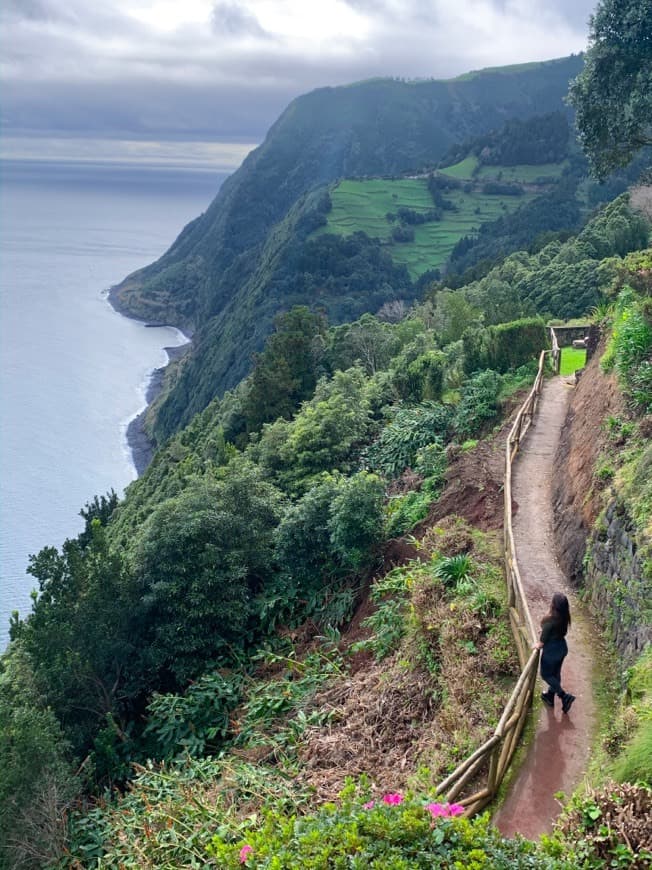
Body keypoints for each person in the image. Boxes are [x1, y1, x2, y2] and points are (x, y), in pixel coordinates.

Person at [534, 592, 575, 714]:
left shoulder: (549, 620)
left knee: (546, 675)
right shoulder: (564, 617)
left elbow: (541, 643)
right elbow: (556, 633)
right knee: (556, 674)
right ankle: (550, 697)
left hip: (551, 652)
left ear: (553, 605)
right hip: (562, 648)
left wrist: (537, 644)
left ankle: (564, 696)